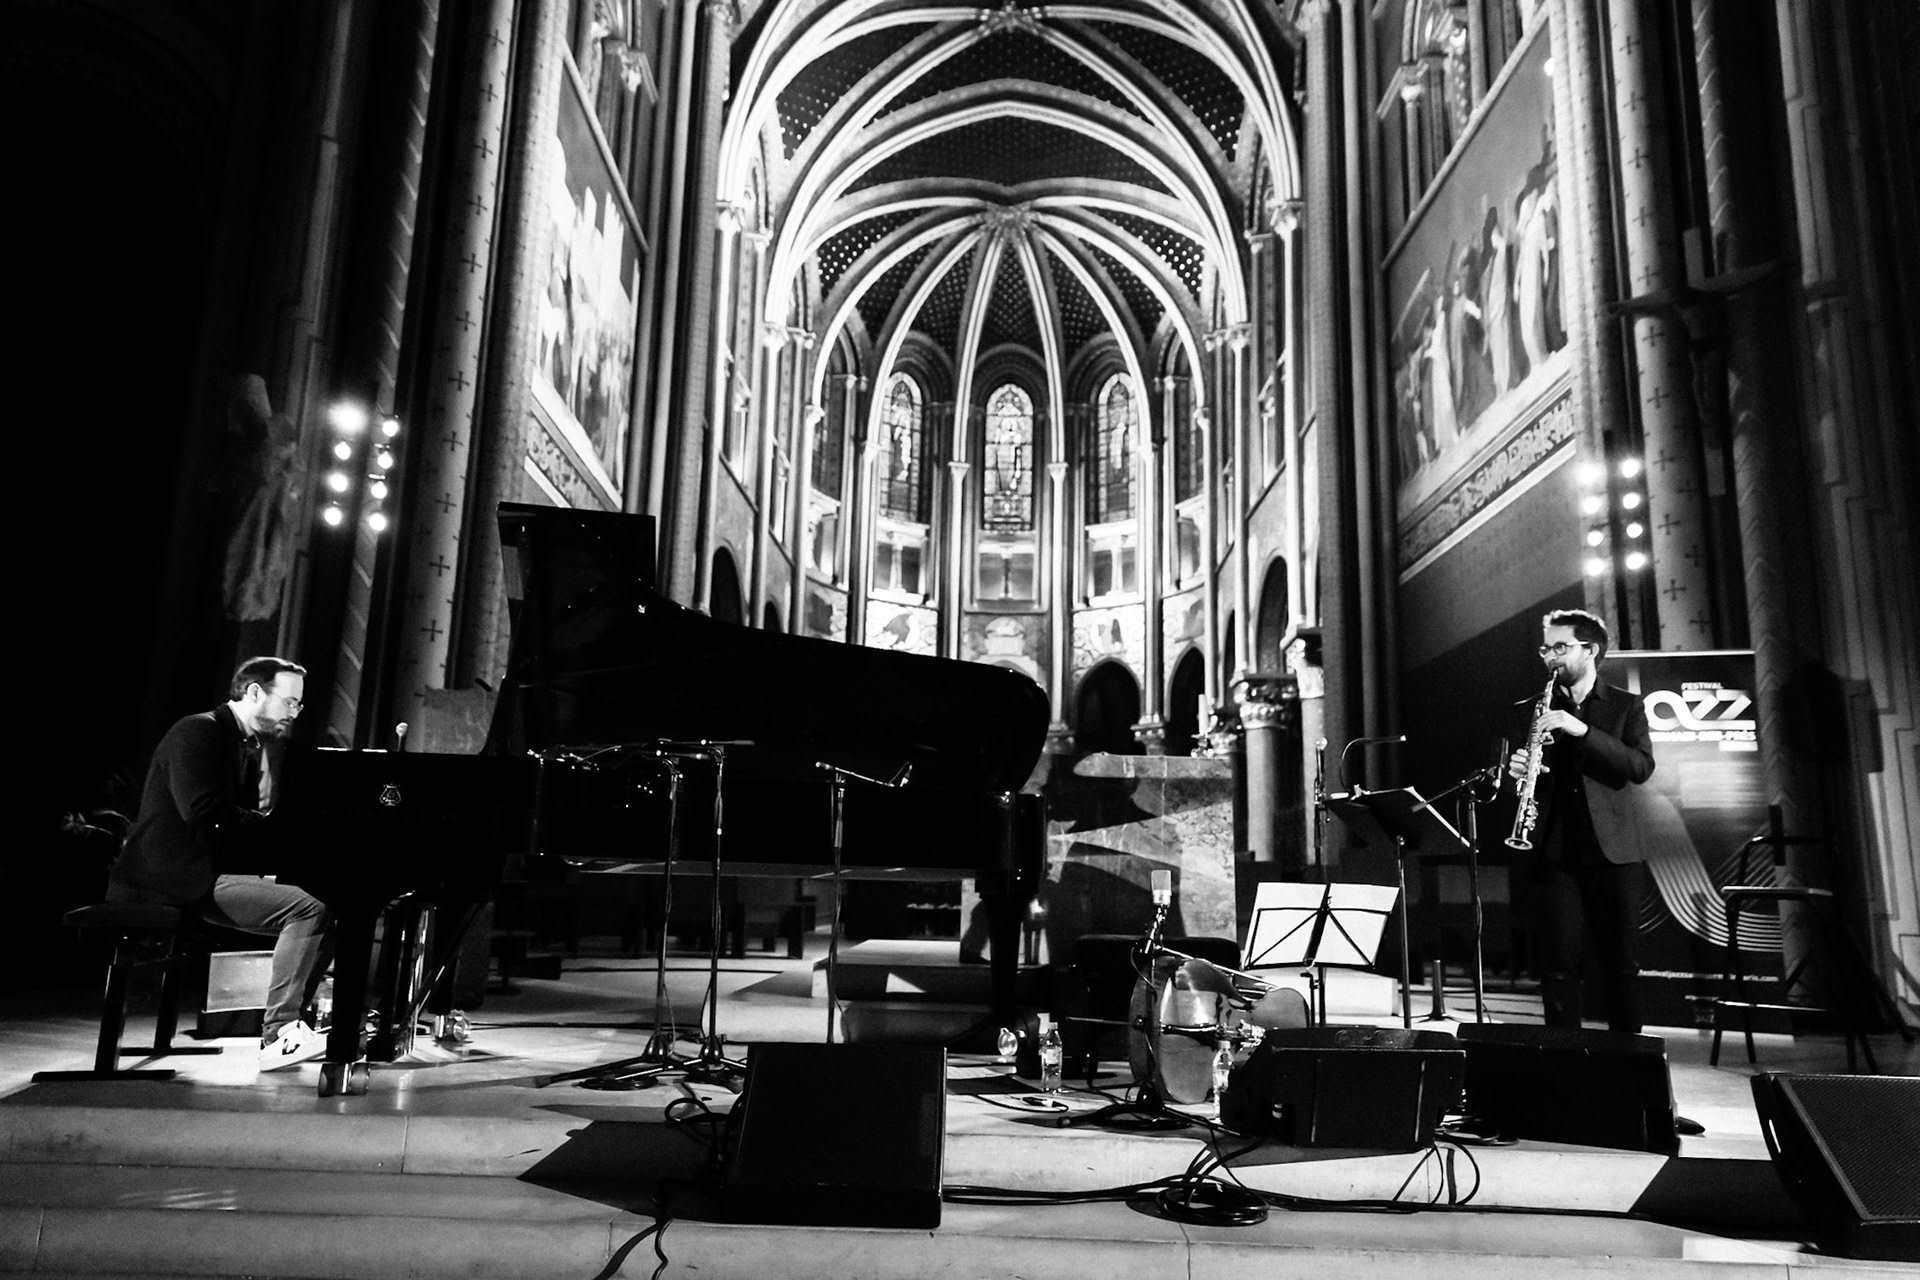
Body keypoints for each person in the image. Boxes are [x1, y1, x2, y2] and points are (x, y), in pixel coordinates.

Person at [109, 657, 332, 1070]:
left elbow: (234, 822)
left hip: (202, 871)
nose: (293, 713)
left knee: (327, 902)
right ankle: (279, 1031)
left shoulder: (238, 741)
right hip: (169, 875)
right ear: (253, 693)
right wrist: (273, 831)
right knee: (309, 906)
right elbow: (202, 811)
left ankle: (291, 1024)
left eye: (297, 705)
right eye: (289, 702)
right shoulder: (198, 731)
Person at [1506, 609, 1655, 1034]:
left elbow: (1640, 766)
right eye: (1545, 648)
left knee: (1621, 968)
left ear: (1590, 650)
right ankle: (1564, 1072)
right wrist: (1520, 770)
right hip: (1555, 854)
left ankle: (1629, 1071)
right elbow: (1536, 777)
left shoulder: (1626, 706)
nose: (1549, 656)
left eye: (1559, 647)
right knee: (1556, 971)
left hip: (1615, 854)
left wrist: (1581, 730)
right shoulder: (1537, 708)